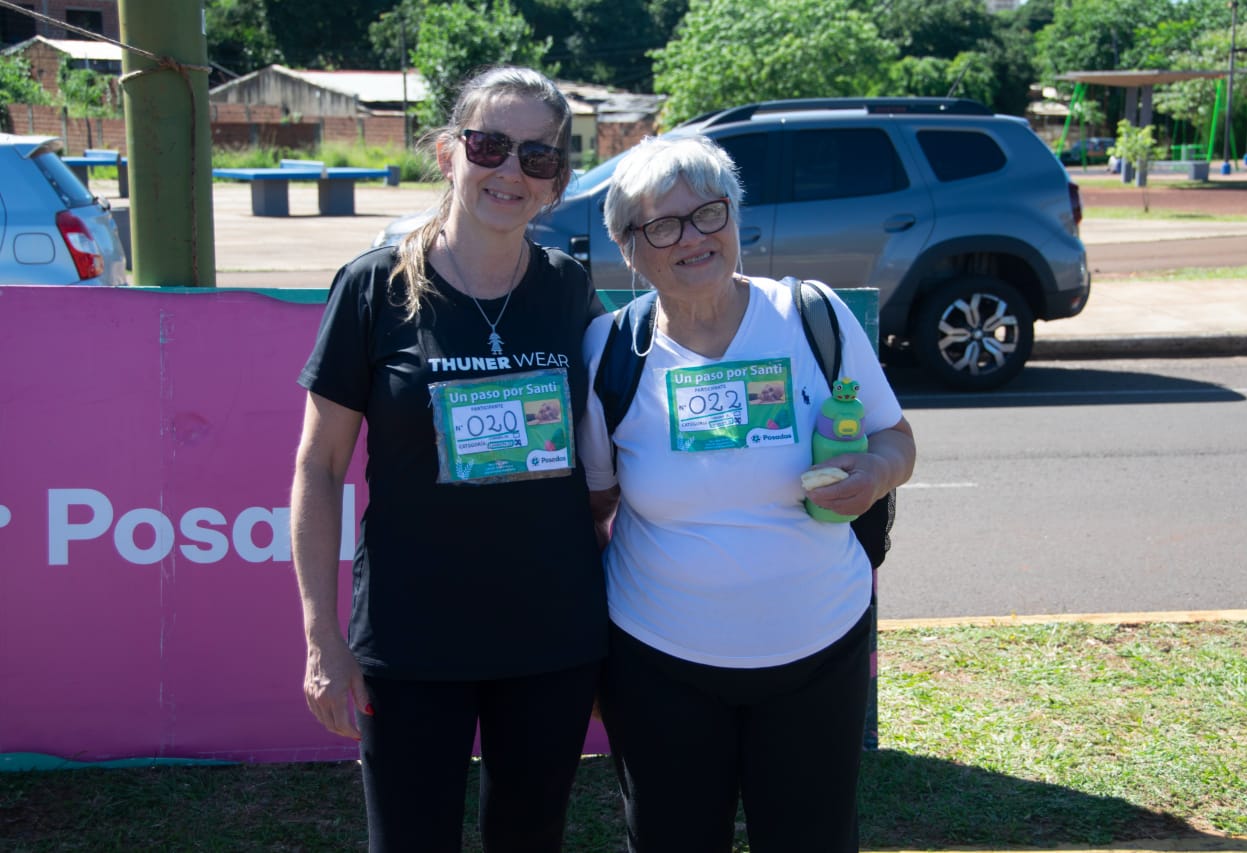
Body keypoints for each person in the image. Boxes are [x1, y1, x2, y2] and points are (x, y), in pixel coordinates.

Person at [289, 66, 607, 853]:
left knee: (529, 839)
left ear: (558, 180)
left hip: (550, 635)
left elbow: (609, 460)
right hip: (412, 638)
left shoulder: (573, 292)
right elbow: (318, 469)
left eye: (537, 156)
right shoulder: (373, 289)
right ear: (447, 152)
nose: (510, 170)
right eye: (491, 144)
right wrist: (321, 637)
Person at [579, 135, 917, 853]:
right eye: (663, 225)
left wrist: (875, 474)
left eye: (709, 213)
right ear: (628, 248)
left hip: (818, 652)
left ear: (736, 217)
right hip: (658, 662)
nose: (693, 237)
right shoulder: (609, 351)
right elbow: (596, 505)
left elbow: (895, 438)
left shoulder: (811, 318)